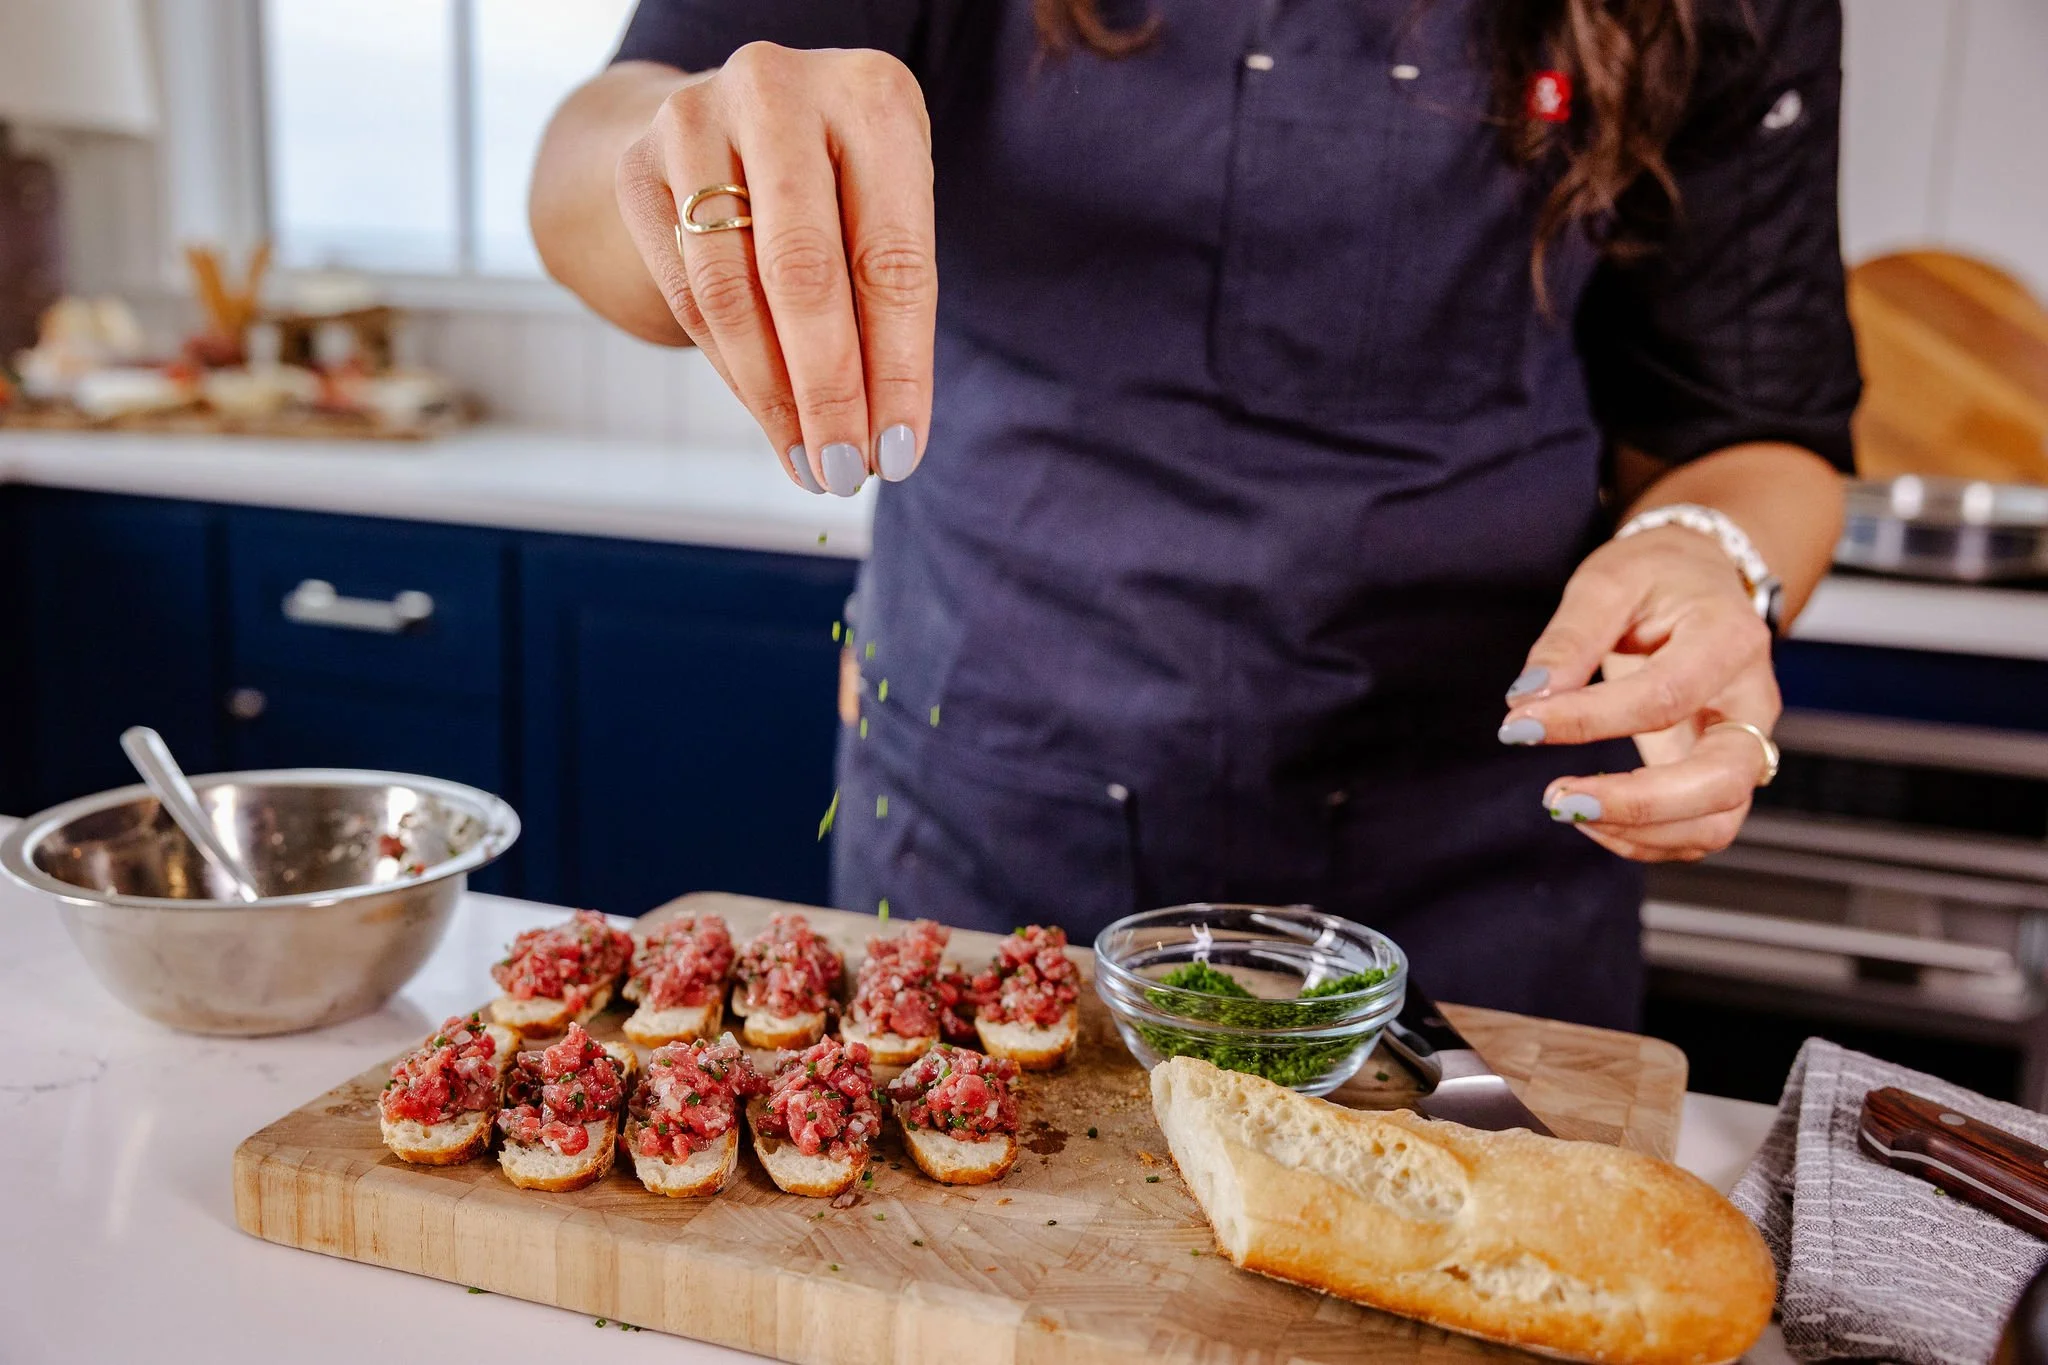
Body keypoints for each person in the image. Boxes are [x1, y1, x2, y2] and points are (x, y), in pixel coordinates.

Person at [531, 0, 1858, 1028]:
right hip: (989, 817)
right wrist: (690, 153)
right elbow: (591, 159)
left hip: (1480, 856)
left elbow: (1758, 430)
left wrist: (1708, 554)